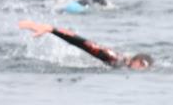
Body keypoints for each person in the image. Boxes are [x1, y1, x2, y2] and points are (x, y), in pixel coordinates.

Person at [18, 20, 153, 69]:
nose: (141, 69)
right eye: (141, 65)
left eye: (144, 67)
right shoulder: (114, 59)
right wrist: (52, 29)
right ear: (135, 61)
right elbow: (84, 43)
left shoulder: (124, 64)